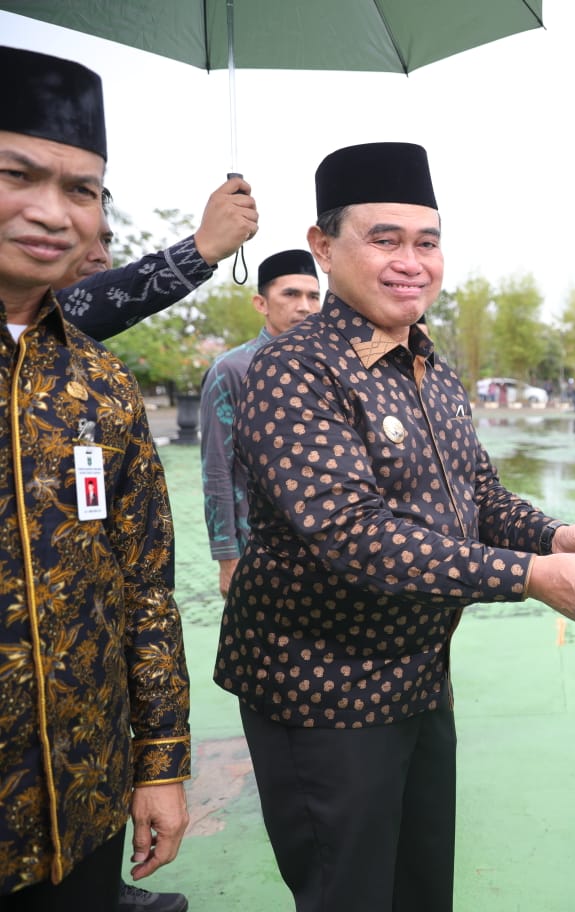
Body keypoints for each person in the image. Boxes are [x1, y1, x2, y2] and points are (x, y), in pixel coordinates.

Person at [214, 142, 575, 912]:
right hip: (323, 691)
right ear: (323, 247)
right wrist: (529, 576)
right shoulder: (294, 369)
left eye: (427, 242)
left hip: (417, 678)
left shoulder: (429, 367)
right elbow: (354, 534)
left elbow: (477, 493)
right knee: (349, 894)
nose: (411, 262)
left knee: (420, 888)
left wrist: (553, 538)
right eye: (385, 240)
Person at [0, 46, 191, 910]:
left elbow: (146, 586)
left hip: (86, 801)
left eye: (81, 190)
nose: (53, 212)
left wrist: (161, 766)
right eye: (18, 175)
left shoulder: (102, 383)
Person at [200, 249, 321, 597]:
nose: (305, 306)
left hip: (327, 550)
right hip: (260, 550)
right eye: (290, 294)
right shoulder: (232, 371)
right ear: (261, 303)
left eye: (313, 296)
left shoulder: (331, 368)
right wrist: (227, 557)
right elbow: (217, 468)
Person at [58, 178, 259, 341]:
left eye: (106, 241)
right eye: (81, 238)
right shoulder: (40, 329)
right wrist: (202, 249)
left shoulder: (99, 359)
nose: (100, 256)